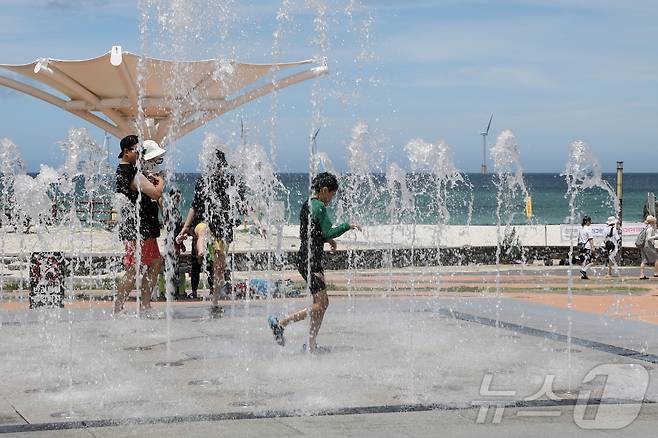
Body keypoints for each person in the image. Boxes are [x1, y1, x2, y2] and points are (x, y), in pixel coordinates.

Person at [267, 172, 361, 352]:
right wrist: (348, 226)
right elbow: (329, 231)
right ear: (324, 190)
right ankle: (281, 323)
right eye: (332, 194)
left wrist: (328, 240)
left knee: (323, 304)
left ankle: (310, 344)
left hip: (306, 257)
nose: (332, 199)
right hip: (311, 260)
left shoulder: (307, 205)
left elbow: (311, 234)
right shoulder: (319, 207)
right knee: (320, 304)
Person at [176, 149, 238, 316]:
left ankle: (215, 302)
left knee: (219, 268)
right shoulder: (204, 181)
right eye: (214, 166)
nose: (217, 169)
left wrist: (259, 222)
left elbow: (242, 203)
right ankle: (201, 251)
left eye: (219, 166)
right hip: (203, 222)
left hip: (223, 228)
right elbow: (195, 206)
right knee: (203, 230)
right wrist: (184, 228)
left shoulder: (230, 181)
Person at [114, 135, 164, 315]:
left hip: (141, 227)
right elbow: (156, 193)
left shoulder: (126, 170)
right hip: (139, 229)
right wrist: (161, 180)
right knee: (135, 269)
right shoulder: (129, 173)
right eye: (137, 150)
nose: (140, 154)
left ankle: (143, 305)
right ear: (126, 152)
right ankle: (121, 308)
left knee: (154, 263)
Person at [639, 215, 658, 279]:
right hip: (648, 245)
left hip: (643, 245)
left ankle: (642, 274)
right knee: (657, 258)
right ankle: (656, 273)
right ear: (652, 221)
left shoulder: (646, 227)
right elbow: (648, 238)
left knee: (644, 260)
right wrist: (656, 236)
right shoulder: (650, 228)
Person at [577, 216, 594, 280]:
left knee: (583, 261)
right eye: (590, 221)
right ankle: (583, 270)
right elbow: (590, 239)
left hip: (581, 246)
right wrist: (592, 247)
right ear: (587, 222)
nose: (591, 222)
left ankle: (583, 275)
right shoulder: (588, 229)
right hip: (587, 247)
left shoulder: (581, 229)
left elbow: (578, 238)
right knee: (592, 261)